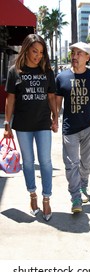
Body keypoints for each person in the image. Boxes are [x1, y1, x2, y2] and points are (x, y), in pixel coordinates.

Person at [3, 34, 58, 221]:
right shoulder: (14, 71)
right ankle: (33, 195)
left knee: (46, 162)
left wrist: (55, 117)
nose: (38, 56)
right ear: (26, 50)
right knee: (28, 162)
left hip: (43, 123)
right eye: (35, 51)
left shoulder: (47, 72)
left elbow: (51, 97)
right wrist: (6, 123)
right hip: (23, 126)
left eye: (41, 52)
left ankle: (47, 198)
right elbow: (10, 100)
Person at [55, 42, 90, 213]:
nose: (74, 56)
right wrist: (55, 119)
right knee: (71, 164)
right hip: (70, 128)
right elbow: (57, 102)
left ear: (87, 58)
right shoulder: (61, 78)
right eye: (73, 53)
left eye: (79, 53)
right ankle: (75, 196)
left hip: (89, 127)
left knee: (87, 161)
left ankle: (84, 186)